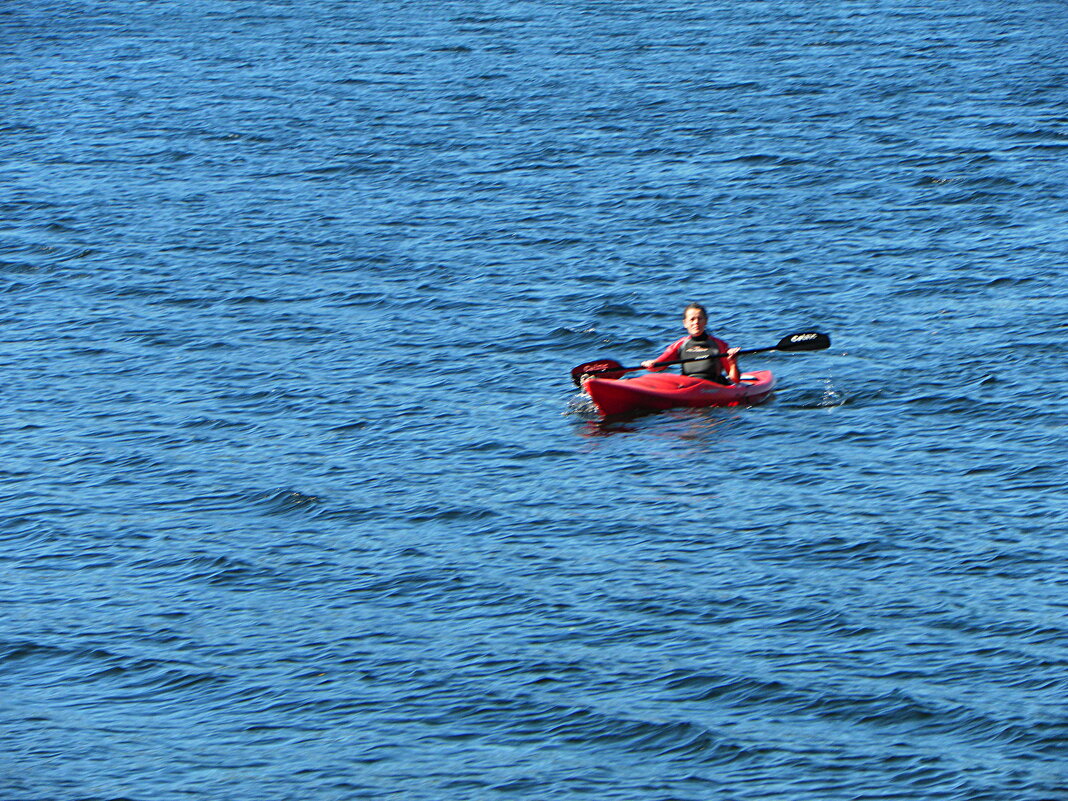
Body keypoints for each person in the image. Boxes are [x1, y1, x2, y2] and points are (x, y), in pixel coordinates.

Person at [641, 303, 741, 385]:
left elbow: (735, 379)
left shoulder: (719, 344)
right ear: (685, 323)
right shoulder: (680, 344)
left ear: (705, 321)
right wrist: (651, 364)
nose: (696, 322)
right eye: (692, 319)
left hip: (713, 387)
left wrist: (732, 362)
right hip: (688, 385)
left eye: (699, 319)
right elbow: (660, 365)